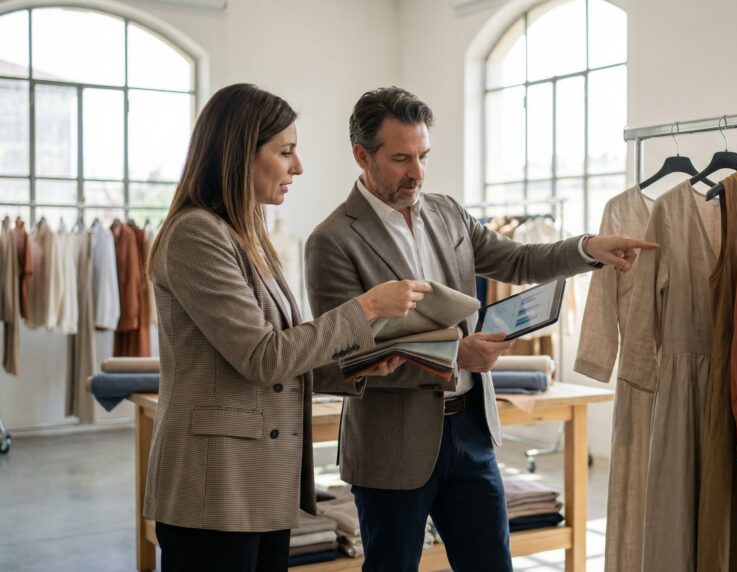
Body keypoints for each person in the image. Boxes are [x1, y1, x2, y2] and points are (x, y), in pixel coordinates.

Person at [305, 86, 656, 571]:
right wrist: (455, 357)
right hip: (391, 443)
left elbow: (517, 259)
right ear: (362, 156)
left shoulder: (447, 212)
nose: (417, 173)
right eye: (402, 158)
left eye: (424, 155)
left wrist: (587, 248)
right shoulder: (333, 240)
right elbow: (344, 360)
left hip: (471, 430)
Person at [142, 83, 429, 572]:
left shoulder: (246, 233)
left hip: (257, 486)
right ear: (238, 154)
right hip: (215, 490)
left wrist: (359, 368)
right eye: (286, 152)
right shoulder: (196, 235)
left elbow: (278, 357)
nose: (298, 167)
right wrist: (367, 309)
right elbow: (262, 357)